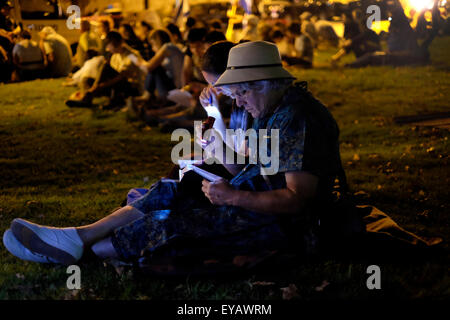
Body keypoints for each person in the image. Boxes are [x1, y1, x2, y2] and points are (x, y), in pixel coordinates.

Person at [3, 41, 442, 269]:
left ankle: (83, 248)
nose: (239, 103)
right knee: (170, 192)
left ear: (263, 84)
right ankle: (77, 239)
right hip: (257, 203)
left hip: (292, 226)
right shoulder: (267, 106)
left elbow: (297, 202)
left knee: (174, 224)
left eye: (240, 93)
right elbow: (242, 166)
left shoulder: (298, 118)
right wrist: (217, 139)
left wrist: (234, 197)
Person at [65, 31, 144, 109]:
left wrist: (101, 86)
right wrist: (99, 85)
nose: (107, 49)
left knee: (105, 67)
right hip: (117, 86)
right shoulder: (115, 56)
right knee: (88, 80)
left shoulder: (133, 55)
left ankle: (90, 96)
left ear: (114, 44)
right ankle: (89, 95)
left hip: (132, 89)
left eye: (108, 45)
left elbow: (122, 76)